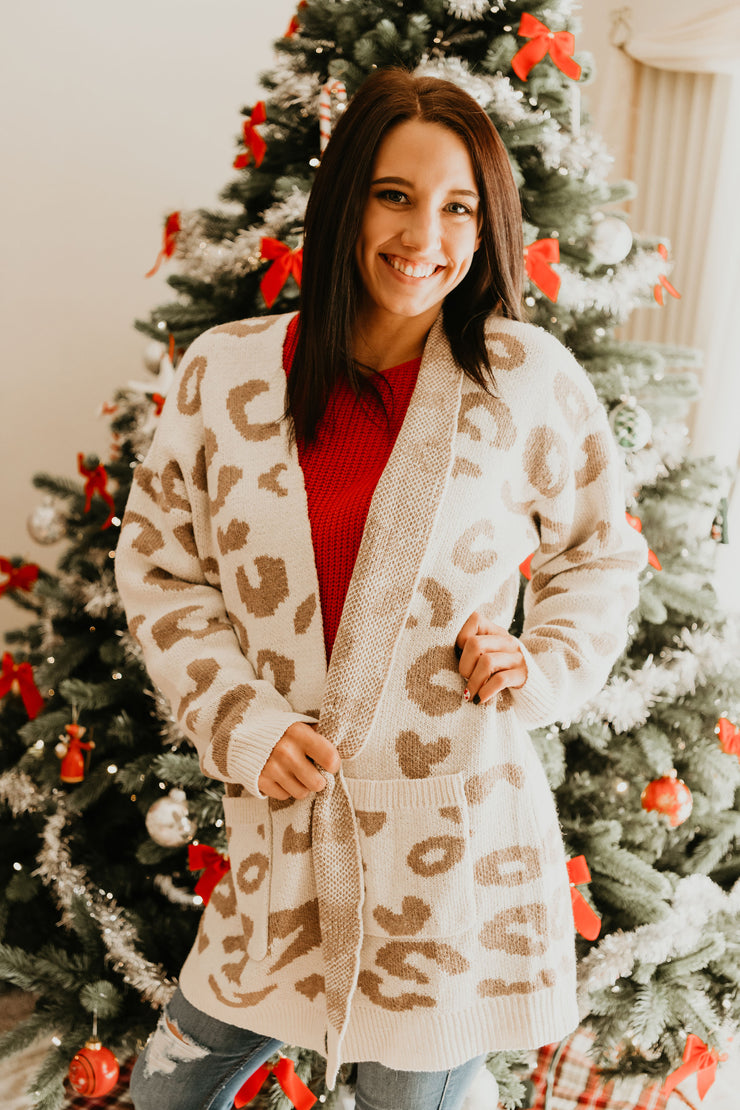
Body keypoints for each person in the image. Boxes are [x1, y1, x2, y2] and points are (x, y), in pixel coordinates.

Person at [115, 67, 647, 1110]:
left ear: (485, 223)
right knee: (169, 1092)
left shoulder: (525, 377)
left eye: (457, 207)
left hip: (450, 860)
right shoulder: (225, 376)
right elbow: (162, 564)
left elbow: (601, 553)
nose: (424, 236)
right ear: (346, 198)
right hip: (283, 849)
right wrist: (241, 721)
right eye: (394, 195)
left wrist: (536, 662)